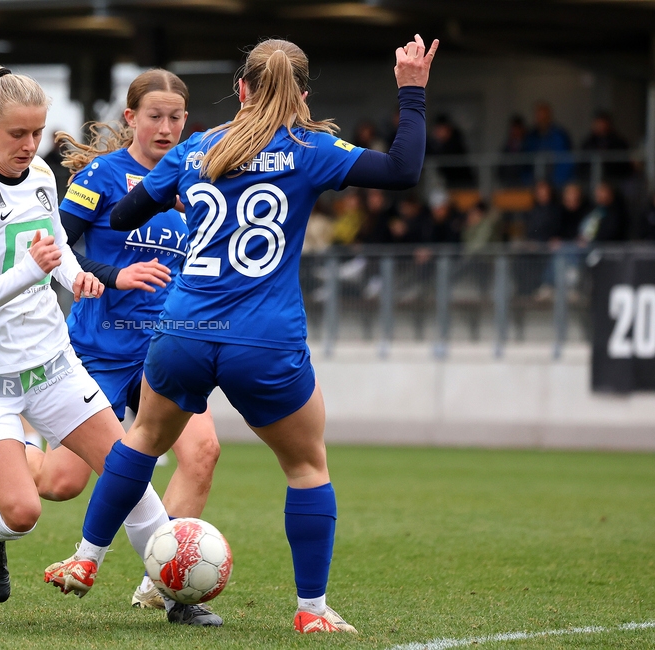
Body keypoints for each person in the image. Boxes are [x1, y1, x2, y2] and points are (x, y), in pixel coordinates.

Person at [43, 35, 437, 635]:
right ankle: (311, 611)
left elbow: (120, 218)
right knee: (306, 466)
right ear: (302, 96)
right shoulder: (311, 149)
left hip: (183, 330)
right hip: (264, 337)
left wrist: (172, 194)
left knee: (142, 440)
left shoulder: (198, 147)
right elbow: (403, 170)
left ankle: (85, 559)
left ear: (243, 89)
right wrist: (411, 91)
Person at [0, 66, 208, 626]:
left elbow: (58, 245)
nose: (30, 147)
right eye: (17, 135)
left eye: (37, 134)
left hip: (53, 363)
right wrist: (31, 271)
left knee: (128, 472)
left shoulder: (39, 177)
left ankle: (177, 596)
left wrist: (76, 277)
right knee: (25, 510)